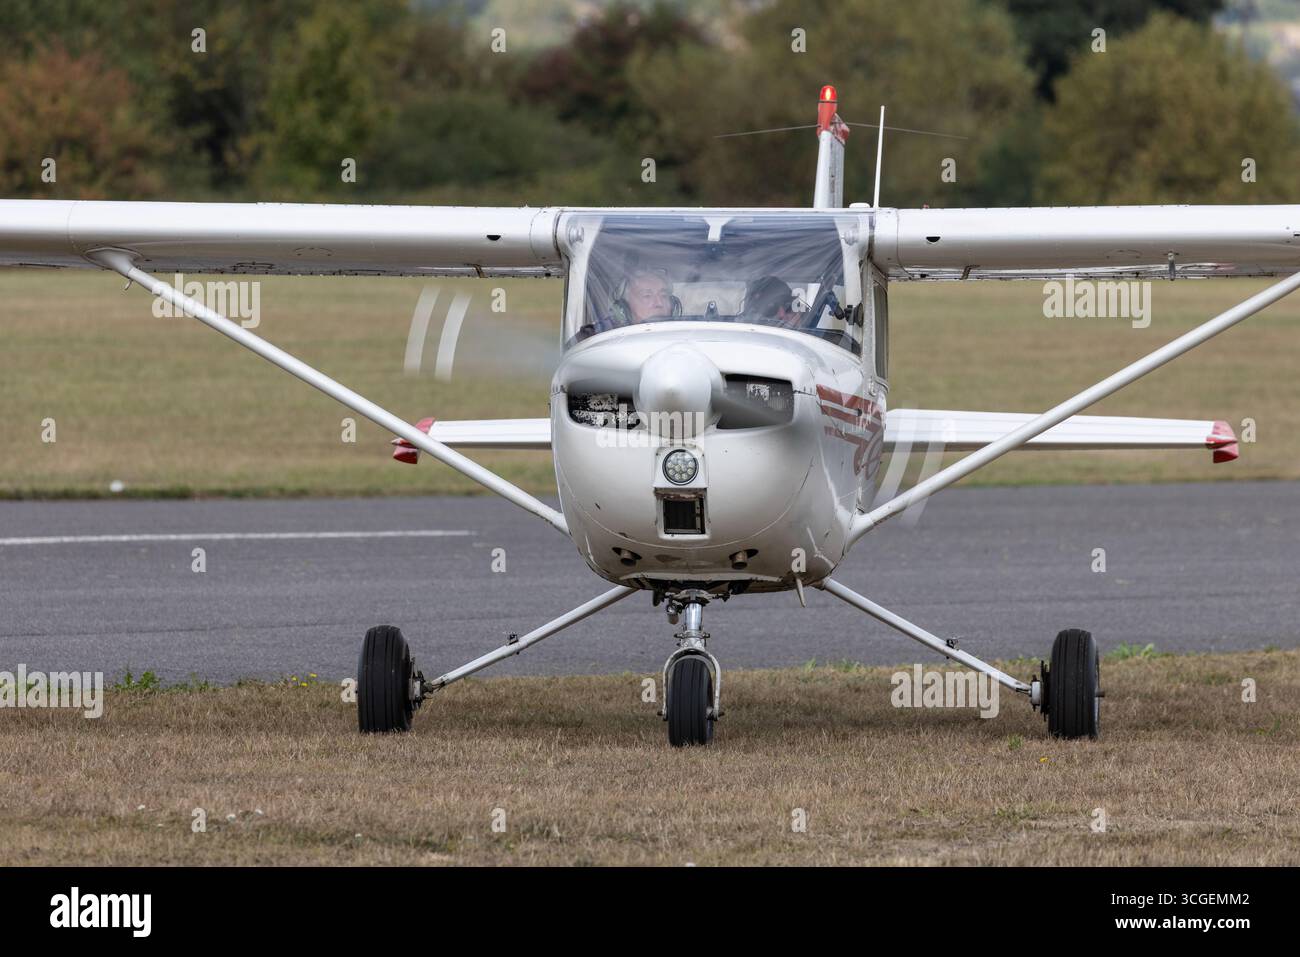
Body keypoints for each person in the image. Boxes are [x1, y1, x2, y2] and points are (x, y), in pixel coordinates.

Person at [573, 270, 675, 342]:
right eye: (647, 296)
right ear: (623, 307)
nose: (659, 303)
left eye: (664, 296)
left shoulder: (686, 333)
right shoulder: (592, 336)